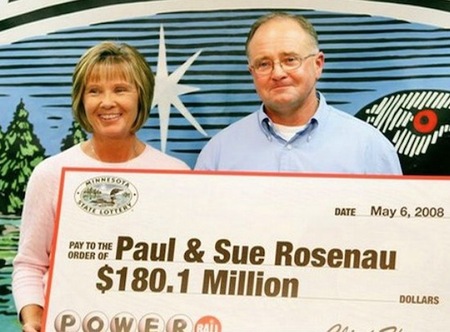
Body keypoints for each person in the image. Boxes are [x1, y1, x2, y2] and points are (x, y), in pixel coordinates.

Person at [12, 41, 190, 331]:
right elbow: (29, 265)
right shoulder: (51, 173)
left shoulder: (177, 175)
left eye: (120, 89)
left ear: (141, 96)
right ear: (81, 100)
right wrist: (32, 318)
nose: (107, 102)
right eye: (94, 91)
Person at [195, 12, 402, 174]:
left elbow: (392, 227)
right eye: (264, 64)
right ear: (252, 72)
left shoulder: (370, 148)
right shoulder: (218, 154)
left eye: (290, 60)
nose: (278, 73)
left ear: (318, 65)